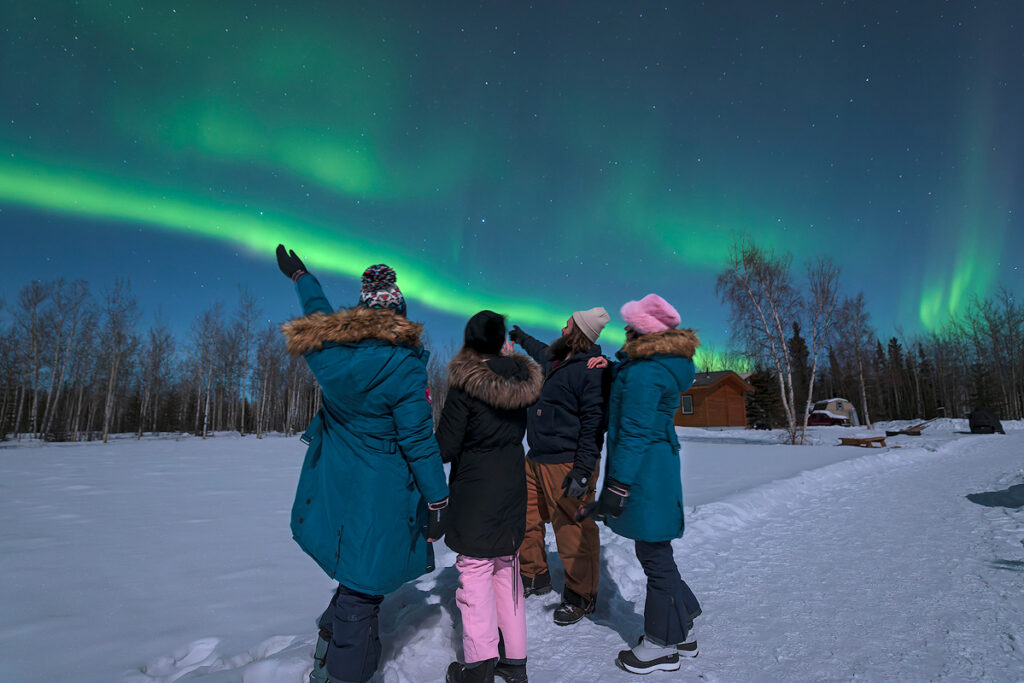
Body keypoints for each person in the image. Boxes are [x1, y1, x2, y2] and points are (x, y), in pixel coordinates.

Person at [275, 245, 450, 683]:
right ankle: (340, 672)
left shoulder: (331, 354)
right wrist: (438, 497)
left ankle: (326, 645)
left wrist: (302, 278)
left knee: (355, 570)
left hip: (337, 481)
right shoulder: (404, 367)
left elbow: (318, 315)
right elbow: (417, 439)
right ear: (401, 314)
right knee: (364, 588)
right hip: (380, 491)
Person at [580, 293, 703, 674]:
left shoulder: (646, 372)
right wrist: (611, 368)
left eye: (630, 328)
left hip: (644, 473)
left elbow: (634, 430)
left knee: (653, 555)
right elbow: (632, 392)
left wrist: (617, 487)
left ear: (643, 332)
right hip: (655, 467)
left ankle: (662, 645)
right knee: (657, 551)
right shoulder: (657, 366)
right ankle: (681, 626)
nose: (625, 333)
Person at [437, 311, 543, 683]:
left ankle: (479, 664)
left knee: (477, 571)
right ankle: (514, 661)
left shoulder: (467, 383)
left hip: (476, 493)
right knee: (507, 569)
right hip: (513, 488)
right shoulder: (520, 381)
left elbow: (446, 446)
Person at [508, 307, 610, 626]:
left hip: (567, 461)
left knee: (571, 527)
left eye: (567, 326)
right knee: (526, 517)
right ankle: (535, 575)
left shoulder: (591, 370)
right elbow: (539, 349)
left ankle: (582, 595)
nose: (562, 329)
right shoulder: (556, 358)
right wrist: (521, 337)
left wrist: (582, 469)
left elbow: (595, 422)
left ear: (577, 332)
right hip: (536, 456)